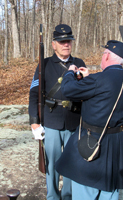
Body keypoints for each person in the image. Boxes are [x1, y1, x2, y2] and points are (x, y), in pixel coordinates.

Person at [55, 40, 123, 200]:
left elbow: (67, 89)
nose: (101, 56)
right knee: (109, 191)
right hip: (115, 144)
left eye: (103, 53)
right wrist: (88, 79)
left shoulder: (99, 80)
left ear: (107, 56)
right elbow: (106, 94)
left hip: (93, 142)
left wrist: (70, 72)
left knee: (85, 190)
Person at [28, 24, 86, 200]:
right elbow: (34, 94)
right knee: (51, 163)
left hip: (74, 121)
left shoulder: (80, 64)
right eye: (61, 42)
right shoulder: (44, 64)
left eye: (68, 41)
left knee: (71, 164)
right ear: (54, 44)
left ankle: (68, 196)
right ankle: (52, 196)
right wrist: (34, 122)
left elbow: (87, 92)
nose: (65, 44)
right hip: (51, 121)